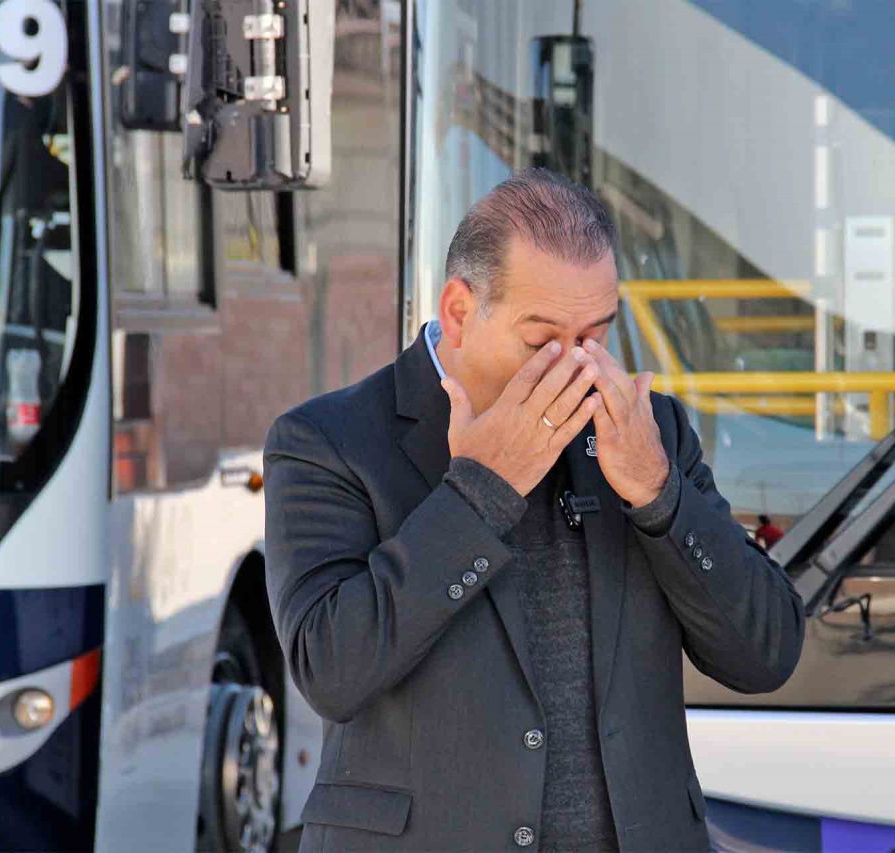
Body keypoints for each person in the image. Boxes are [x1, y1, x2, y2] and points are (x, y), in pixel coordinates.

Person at [263, 168, 804, 852]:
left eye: (596, 336)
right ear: (459, 312)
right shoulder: (328, 441)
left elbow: (766, 652)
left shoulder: (648, 431)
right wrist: (478, 495)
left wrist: (660, 495)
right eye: (543, 340)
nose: (577, 367)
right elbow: (331, 670)